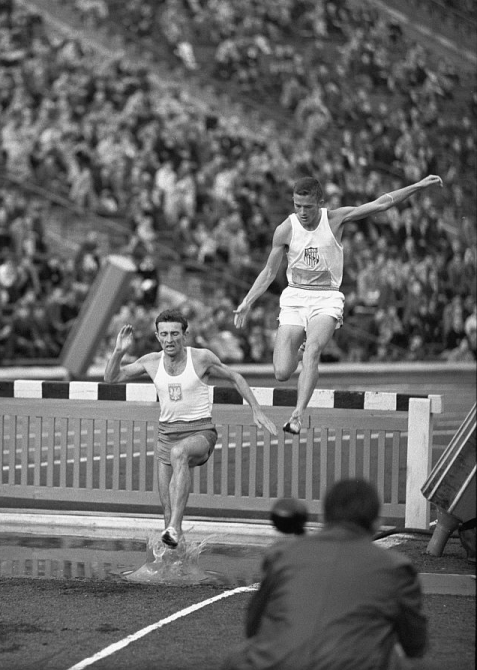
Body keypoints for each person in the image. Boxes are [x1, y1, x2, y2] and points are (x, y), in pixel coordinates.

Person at [234, 174, 443, 434]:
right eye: (297, 206)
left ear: (320, 203)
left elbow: (380, 204)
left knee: (313, 350)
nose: (302, 212)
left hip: (326, 297)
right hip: (295, 296)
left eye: (308, 207)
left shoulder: (335, 219)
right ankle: (299, 351)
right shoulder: (285, 229)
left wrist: (417, 186)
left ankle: (297, 415)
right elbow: (268, 272)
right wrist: (247, 302)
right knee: (281, 372)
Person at [104, 308, 277, 549]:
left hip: (200, 432)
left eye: (175, 333)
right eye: (164, 334)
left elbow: (235, 377)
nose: (169, 339)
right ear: (157, 336)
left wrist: (256, 410)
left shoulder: (201, 358)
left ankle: (175, 526)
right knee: (167, 509)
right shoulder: (151, 361)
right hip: (166, 435)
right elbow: (111, 378)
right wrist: (119, 352)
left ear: (185, 335)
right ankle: (177, 559)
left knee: (180, 454)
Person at [223, 478, 428, 670]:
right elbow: (414, 644)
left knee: (236, 657)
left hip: (275, 664)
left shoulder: (283, 555)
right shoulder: (397, 567)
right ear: (376, 523)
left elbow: (253, 627)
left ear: (323, 517)